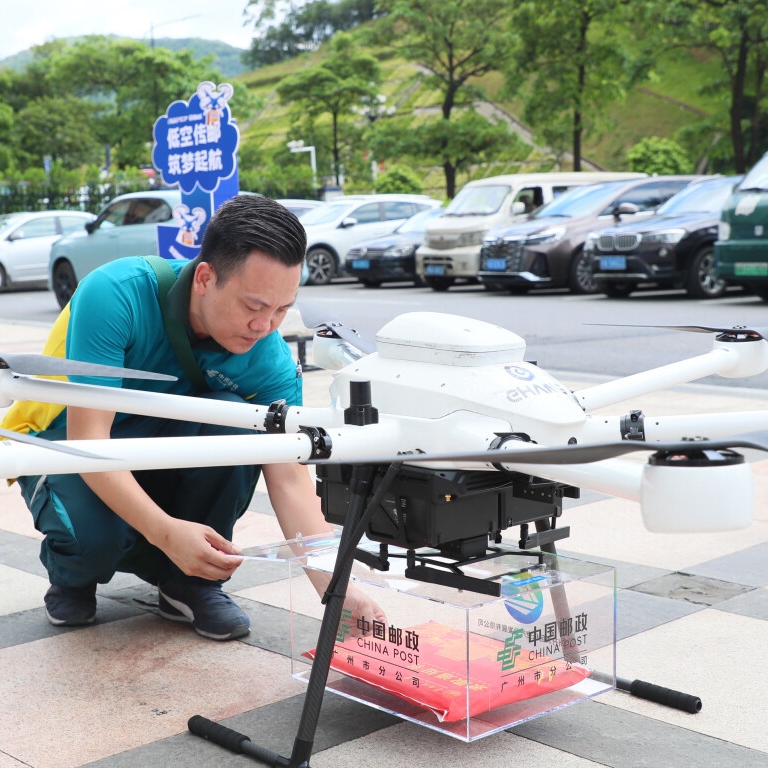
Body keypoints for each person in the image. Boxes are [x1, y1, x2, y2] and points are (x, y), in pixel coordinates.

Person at [2, 194, 371, 641]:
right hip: (75, 451)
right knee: (94, 540)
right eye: (253, 306)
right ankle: (72, 575)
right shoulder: (117, 294)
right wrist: (165, 532)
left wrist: (339, 590)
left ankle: (188, 583)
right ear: (204, 278)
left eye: (280, 310)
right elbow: (89, 442)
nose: (264, 326)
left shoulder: (269, 360)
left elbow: (289, 478)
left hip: (161, 455)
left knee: (245, 422)